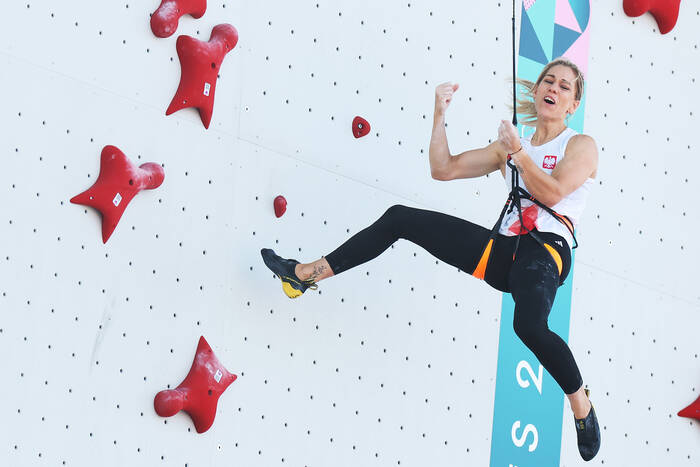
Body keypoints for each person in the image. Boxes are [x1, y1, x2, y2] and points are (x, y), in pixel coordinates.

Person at [260, 57, 601, 461]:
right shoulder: (509, 147)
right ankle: (305, 273)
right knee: (400, 219)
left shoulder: (579, 146)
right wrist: (439, 115)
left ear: (572, 105)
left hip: (545, 253)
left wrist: (519, 154)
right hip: (503, 252)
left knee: (527, 325)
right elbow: (443, 168)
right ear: (536, 90)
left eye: (564, 87)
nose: (554, 89)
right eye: (549, 81)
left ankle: (580, 403)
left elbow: (555, 192)